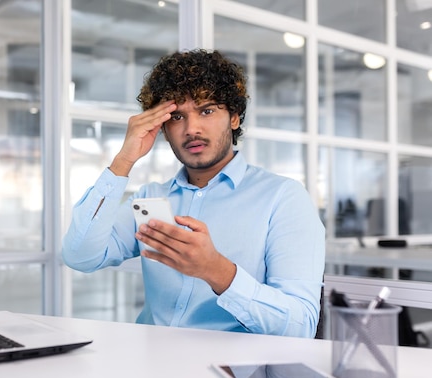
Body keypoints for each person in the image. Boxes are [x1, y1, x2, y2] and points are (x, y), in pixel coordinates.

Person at [62, 49, 325, 338]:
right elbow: (80, 256)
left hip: (233, 374)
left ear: (234, 118)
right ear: (162, 127)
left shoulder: (283, 198)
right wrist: (123, 161)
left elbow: (301, 326)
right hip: (149, 367)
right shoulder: (151, 199)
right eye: (176, 116)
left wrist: (217, 271)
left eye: (207, 110)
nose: (192, 129)